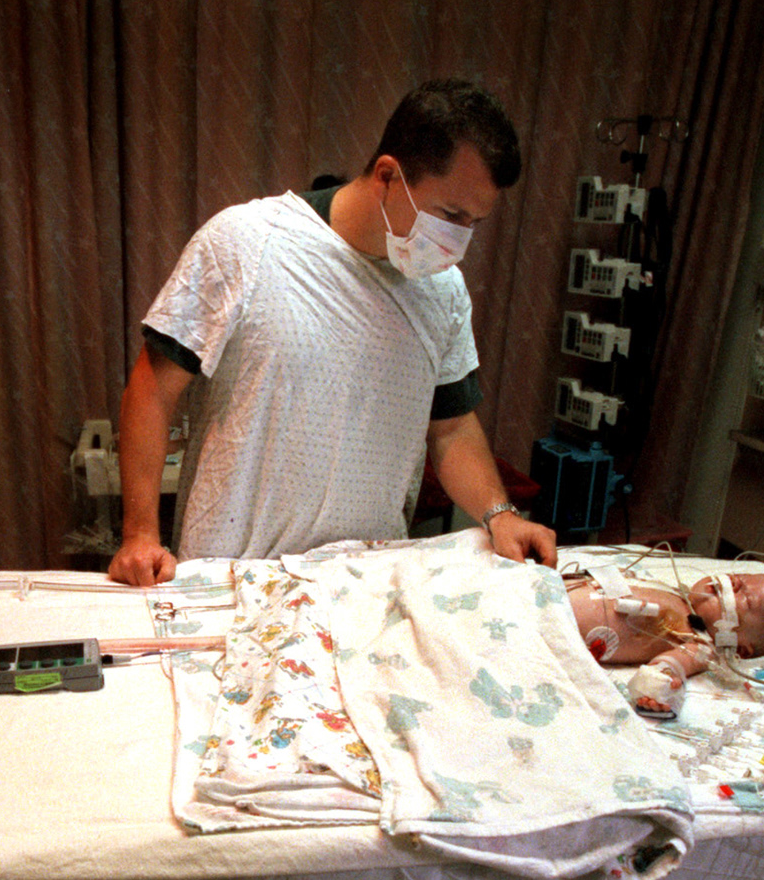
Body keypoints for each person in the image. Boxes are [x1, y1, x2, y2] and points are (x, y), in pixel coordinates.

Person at [108, 78, 556, 586]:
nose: (457, 242)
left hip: (367, 583)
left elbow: (451, 426)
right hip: (233, 574)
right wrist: (140, 534)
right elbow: (151, 388)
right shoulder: (248, 243)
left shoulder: (443, 292)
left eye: (474, 223)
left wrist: (501, 514)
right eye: (450, 215)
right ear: (388, 175)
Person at [562, 570, 764, 718]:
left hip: (557, 622)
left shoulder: (699, 644)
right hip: (548, 586)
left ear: (739, 647)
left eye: (747, 599)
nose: (735, 583)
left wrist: (662, 688)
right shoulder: (675, 594)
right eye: (742, 577)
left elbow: (671, 666)